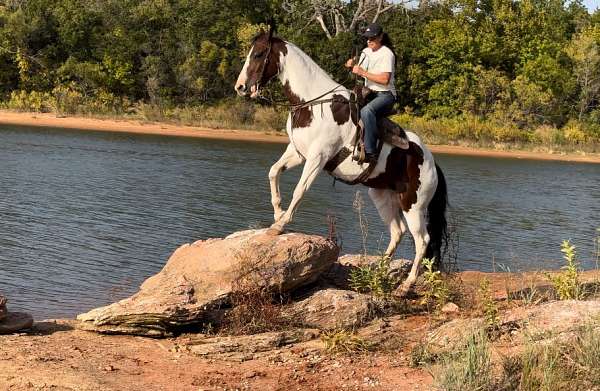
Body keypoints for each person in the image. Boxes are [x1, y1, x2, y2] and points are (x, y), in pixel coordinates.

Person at [345, 23, 396, 164]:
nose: (369, 41)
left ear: (380, 37)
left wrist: (362, 72)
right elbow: (358, 68)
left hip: (386, 95)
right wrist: (351, 66)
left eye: (372, 38)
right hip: (369, 93)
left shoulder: (387, 54)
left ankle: (371, 153)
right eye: (367, 38)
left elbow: (385, 80)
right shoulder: (366, 52)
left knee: (367, 111)